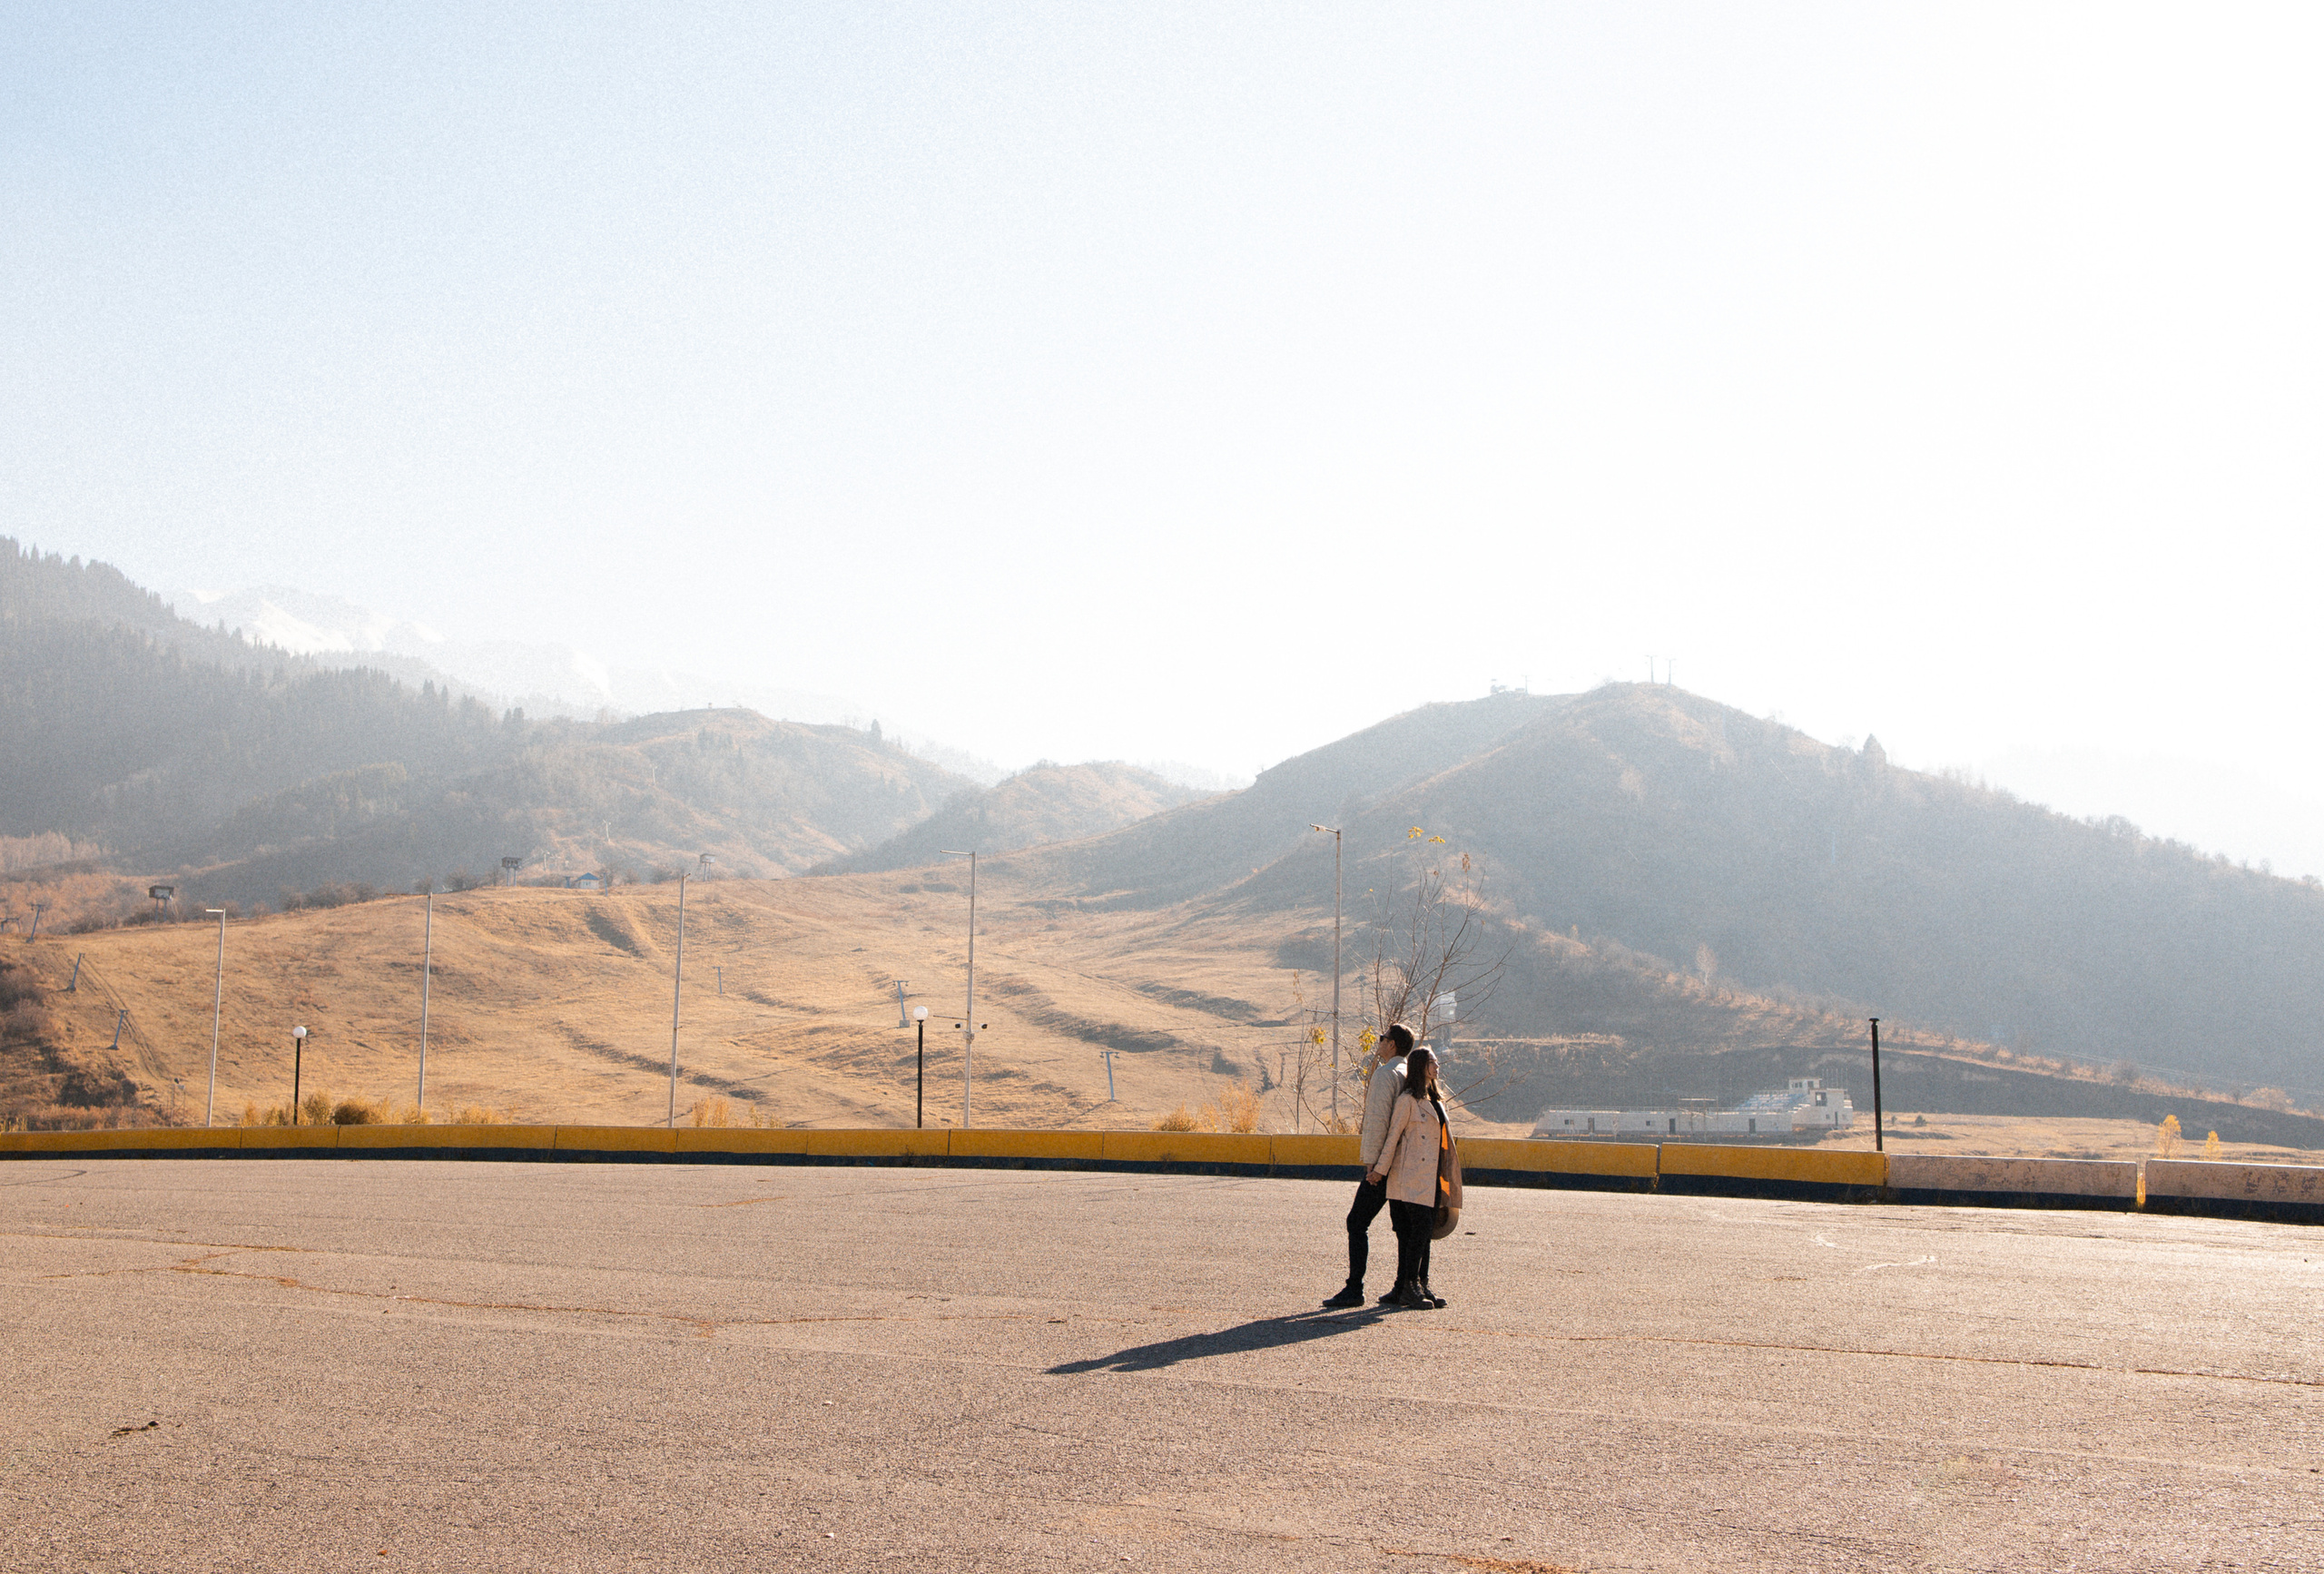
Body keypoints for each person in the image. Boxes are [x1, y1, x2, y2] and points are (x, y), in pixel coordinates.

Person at [1322, 1022, 1413, 1308]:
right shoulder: (1410, 1074)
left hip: (1383, 1165)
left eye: (1383, 1038)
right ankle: (1403, 1286)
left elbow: (1377, 1122)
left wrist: (1373, 1165)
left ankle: (1354, 1288)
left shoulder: (1385, 1075)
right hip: (1406, 1164)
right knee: (1403, 1228)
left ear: (1392, 1045)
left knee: (1356, 1222)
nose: (1380, 1041)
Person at [1368, 1044, 1449, 1310]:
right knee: (1417, 1231)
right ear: (1420, 1067)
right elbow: (1392, 1137)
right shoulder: (1406, 1101)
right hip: (1408, 1177)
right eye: (1433, 1062)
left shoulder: (1435, 1100)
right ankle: (1410, 1286)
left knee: (1425, 1233)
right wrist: (1379, 1170)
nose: (1437, 1066)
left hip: (1430, 1178)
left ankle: (1417, 1284)